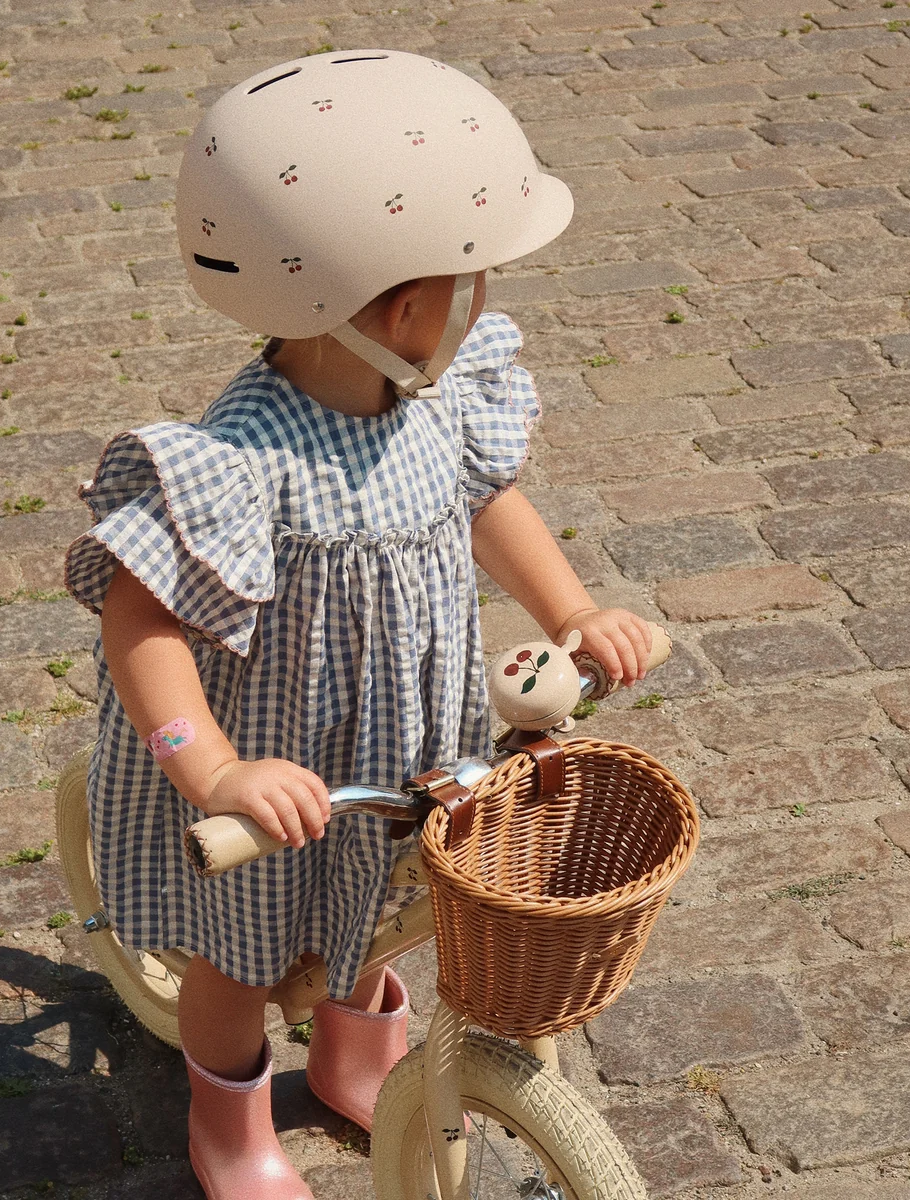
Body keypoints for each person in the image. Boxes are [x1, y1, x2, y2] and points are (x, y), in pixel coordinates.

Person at [64, 49, 653, 1200]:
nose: (478, 304)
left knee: (384, 912)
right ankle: (229, 1125)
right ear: (398, 307)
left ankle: (353, 1057)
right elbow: (139, 620)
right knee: (240, 958)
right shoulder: (242, 457)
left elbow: (485, 501)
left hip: (406, 750)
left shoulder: (425, 402)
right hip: (278, 777)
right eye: (466, 283)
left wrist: (574, 610)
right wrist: (213, 769)